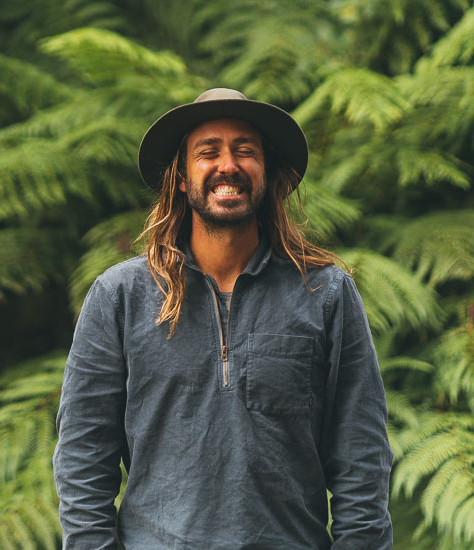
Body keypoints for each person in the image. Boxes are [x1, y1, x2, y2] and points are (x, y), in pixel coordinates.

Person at [53, 87, 393, 549]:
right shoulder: (120, 297)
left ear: (266, 172)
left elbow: (361, 460)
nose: (227, 165)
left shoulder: (325, 294)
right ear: (181, 175)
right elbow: (82, 457)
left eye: (245, 151)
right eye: (207, 152)